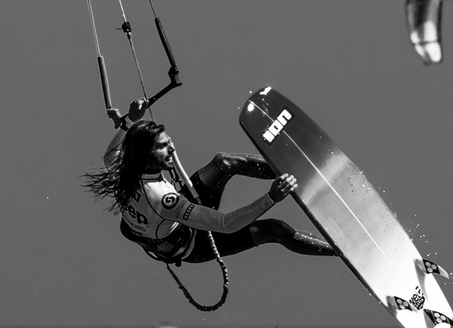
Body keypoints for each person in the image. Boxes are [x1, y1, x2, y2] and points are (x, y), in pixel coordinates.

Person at [85, 104, 336, 265]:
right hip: (193, 243)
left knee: (223, 163)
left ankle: (295, 172)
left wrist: (130, 120)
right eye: (163, 146)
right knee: (276, 229)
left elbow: (110, 156)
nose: (172, 148)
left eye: (169, 141)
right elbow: (226, 225)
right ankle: (341, 252)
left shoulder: (125, 170)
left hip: (163, 222)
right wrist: (271, 198)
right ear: (145, 155)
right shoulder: (162, 197)